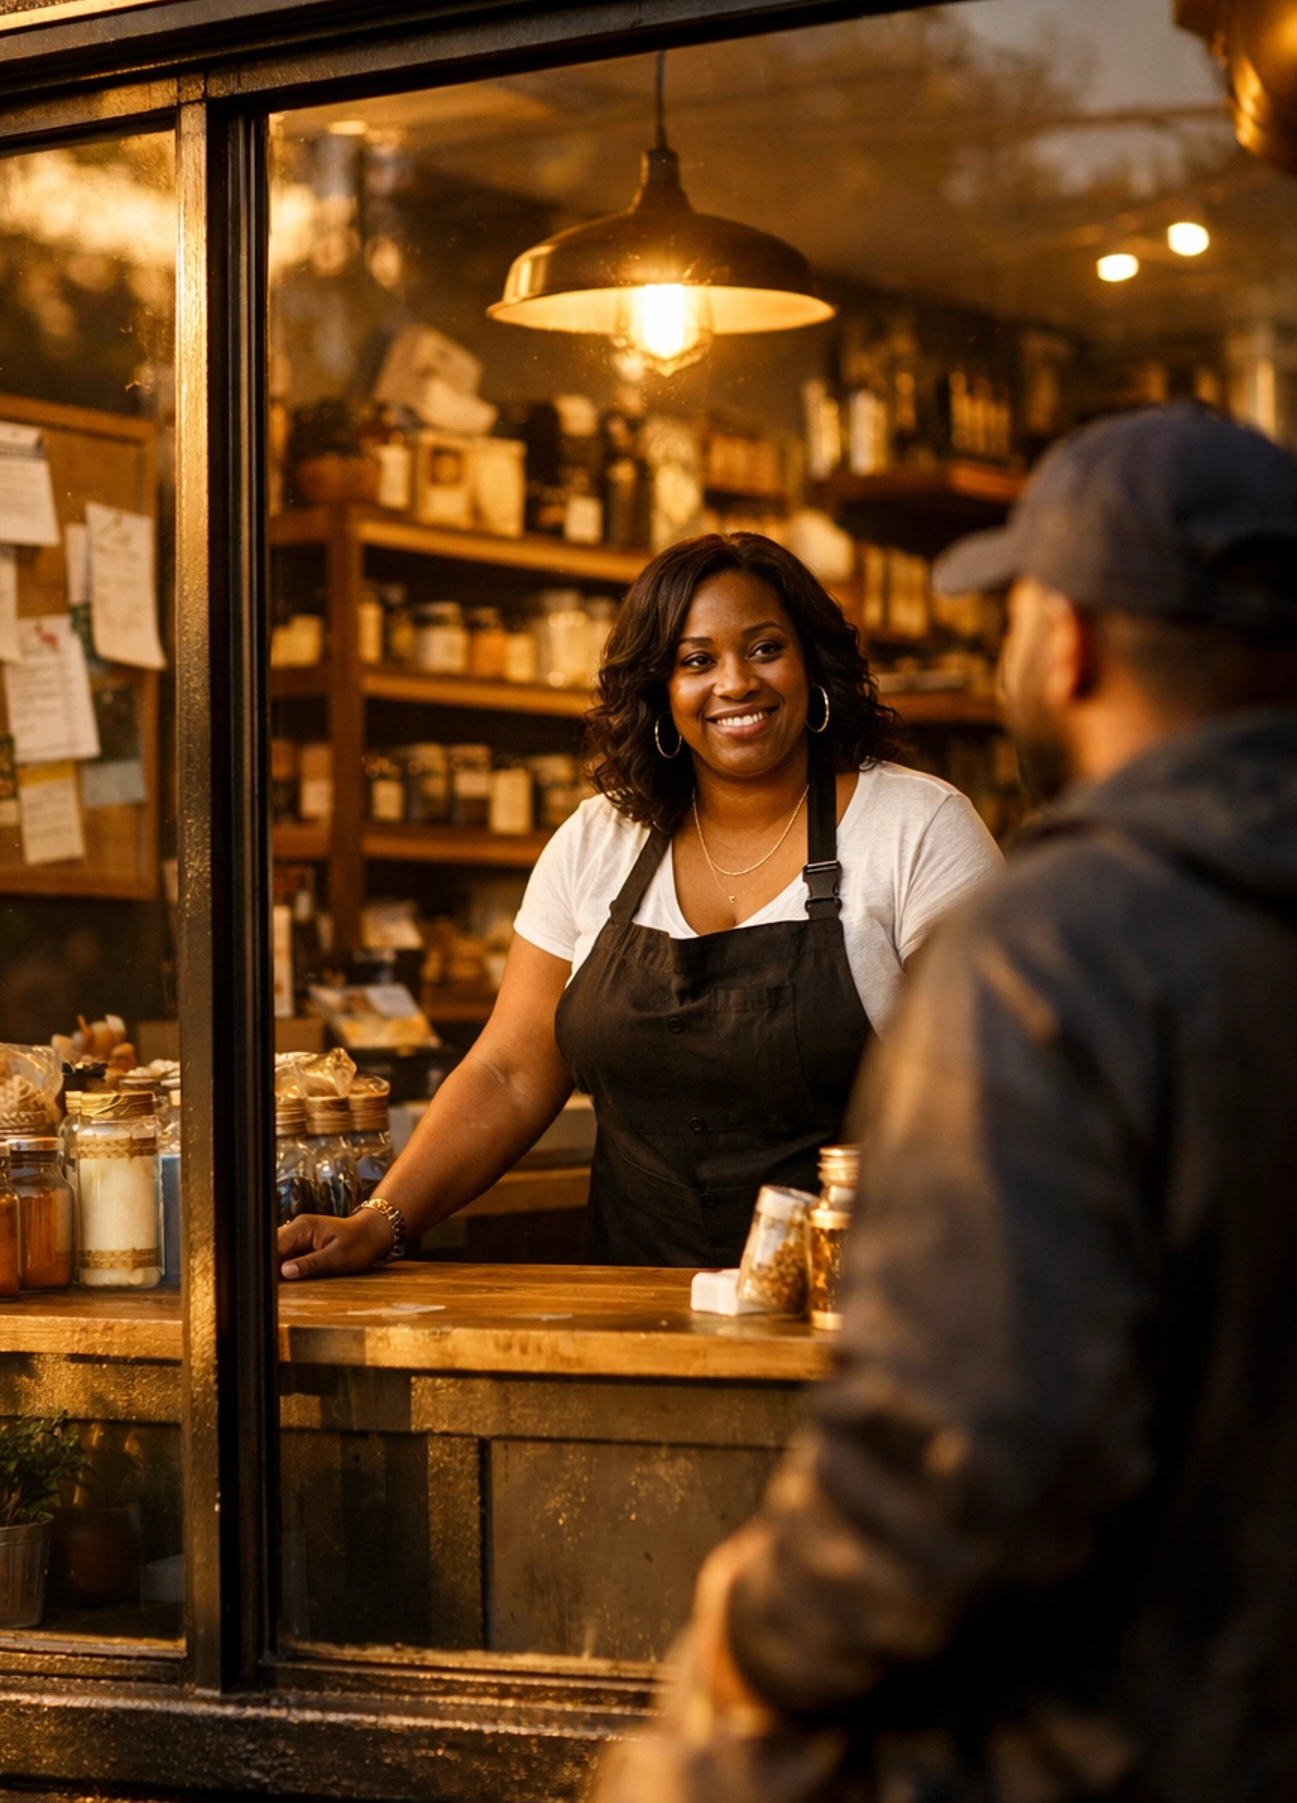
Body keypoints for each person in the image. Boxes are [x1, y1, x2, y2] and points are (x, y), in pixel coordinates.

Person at [593, 405, 1297, 1803]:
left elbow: (968, 1453)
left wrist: (749, 1641)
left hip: (1138, 1784)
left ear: (1077, 642)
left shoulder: (1062, 953)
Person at [279, 529, 1001, 1277]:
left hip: (861, 1309)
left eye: (764, 649)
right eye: (696, 661)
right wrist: (381, 1221)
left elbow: (993, 1092)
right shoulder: (600, 840)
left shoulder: (915, 829)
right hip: (636, 1306)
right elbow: (509, 1071)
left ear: (813, 664)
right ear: (660, 691)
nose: (734, 683)